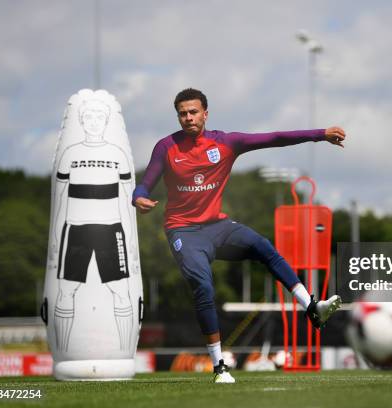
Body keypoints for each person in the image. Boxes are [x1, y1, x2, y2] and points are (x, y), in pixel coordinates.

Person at [133, 88, 345, 383]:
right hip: (184, 230)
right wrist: (138, 197)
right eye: (182, 113)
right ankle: (219, 366)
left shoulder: (226, 143)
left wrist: (320, 134)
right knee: (203, 286)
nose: (188, 118)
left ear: (206, 113)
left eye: (193, 112)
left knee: (263, 246)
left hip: (217, 227)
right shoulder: (166, 147)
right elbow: (145, 183)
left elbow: (275, 138)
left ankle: (311, 307)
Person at [51, 99, 135, 352]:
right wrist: (56, 235)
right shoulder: (70, 153)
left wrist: (128, 234)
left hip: (111, 230)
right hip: (75, 230)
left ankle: (123, 351)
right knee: (66, 290)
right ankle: (65, 351)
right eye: (89, 117)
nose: (94, 122)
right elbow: (62, 196)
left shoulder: (117, 154)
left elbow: (124, 197)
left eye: (99, 117)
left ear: (107, 121)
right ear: (82, 121)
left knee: (121, 291)